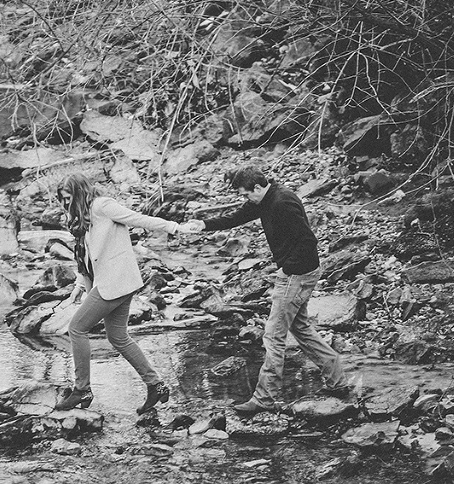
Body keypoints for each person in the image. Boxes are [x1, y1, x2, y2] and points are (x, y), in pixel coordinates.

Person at [183, 165, 348, 414]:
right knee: (300, 328)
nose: (245, 199)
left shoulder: (282, 203)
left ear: (258, 187)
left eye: (246, 194)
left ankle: (264, 398)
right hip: (298, 273)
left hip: (297, 275)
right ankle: (337, 381)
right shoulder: (264, 198)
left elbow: (308, 241)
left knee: (273, 336)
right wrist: (203, 225)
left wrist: (286, 269)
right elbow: (236, 218)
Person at [54, 173, 196, 414]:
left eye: (68, 198)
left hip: (115, 282)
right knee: (118, 337)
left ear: (78, 193)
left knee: (77, 328)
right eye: (63, 200)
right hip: (117, 282)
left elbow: (138, 219)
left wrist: (175, 227)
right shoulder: (84, 216)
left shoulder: (102, 205)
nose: (66, 204)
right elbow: (86, 257)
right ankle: (156, 386)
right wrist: (79, 286)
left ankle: (82, 390)